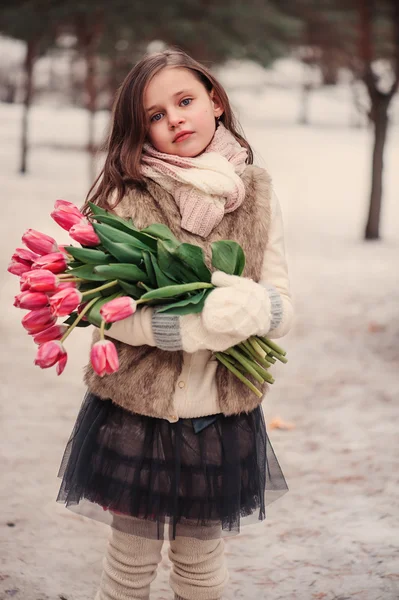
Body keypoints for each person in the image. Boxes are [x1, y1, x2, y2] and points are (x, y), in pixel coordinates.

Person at [57, 48, 294, 600]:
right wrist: (178, 328)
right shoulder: (127, 193)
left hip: (219, 414)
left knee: (200, 564)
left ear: (214, 99)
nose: (175, 120)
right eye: (156, 116)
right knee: (129, 564)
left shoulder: (257, 193)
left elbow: (281, 303)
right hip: (137, 410)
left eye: (184, 101)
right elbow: (98, 304)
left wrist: (249, 309)